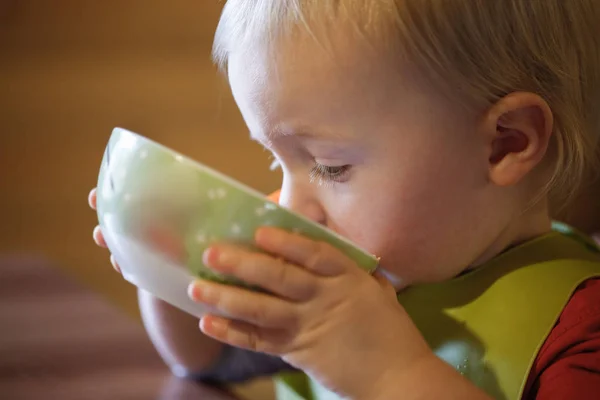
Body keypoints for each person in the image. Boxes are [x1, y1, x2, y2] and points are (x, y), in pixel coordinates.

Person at [88, 1, 600, 399]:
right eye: (276, 159)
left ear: (505, 142)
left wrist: (391, 377)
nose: (292, 205)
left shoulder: (581, 330)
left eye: (331, 167)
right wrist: (166, 266)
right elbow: (206, 361)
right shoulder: (350, 272)